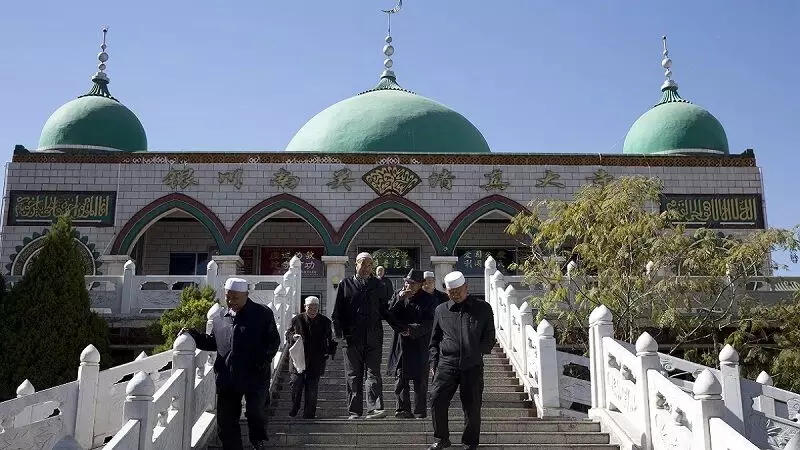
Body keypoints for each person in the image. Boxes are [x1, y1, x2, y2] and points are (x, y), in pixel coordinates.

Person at [181, 277, 280, 450]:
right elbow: (214, 342)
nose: (231, 301)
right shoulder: (220, 317)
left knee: (255, 413)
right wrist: (193, 335)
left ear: (246, 295)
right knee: (226, 422)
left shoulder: (262, 313)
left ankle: (257, 440)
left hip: (255, 376)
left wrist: (263, 360)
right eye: (228, 297)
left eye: (235, 298)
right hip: (227, 377)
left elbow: (273, 341)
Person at [332, 252, 406, 420]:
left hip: (374, 336)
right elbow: (337, 313)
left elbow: (385, 310)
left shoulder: (378, 285)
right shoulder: (345, 284)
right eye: (363, 264)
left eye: (369, 265)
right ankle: (354, 411)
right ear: (356, 265)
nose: (366, 268)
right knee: (353, 375)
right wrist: (339, 336)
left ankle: (375, 409)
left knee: (373, 373)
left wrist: (400, 327)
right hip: (351, 338)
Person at [428, 271, 496, 450]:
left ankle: (470, 442)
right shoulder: (441, 310)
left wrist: (477, 351)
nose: (456, 294)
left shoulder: (483, 308)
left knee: (472, 405)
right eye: (452, 292)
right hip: (446, 364)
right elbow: (434, 340)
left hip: (472, 364)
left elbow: (489, 336)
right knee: (436, 398)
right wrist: (433, 362)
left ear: (466, 287)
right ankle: (441, 438)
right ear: (446, 291)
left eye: (459, 290)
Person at [387, 269, 437, 419]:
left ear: (421, 284)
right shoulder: (398, 295)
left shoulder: (429, 300)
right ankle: (402, 409)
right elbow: (389, 314)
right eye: (407, 282)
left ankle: (420, 410)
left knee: (420, 379)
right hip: (400, 344)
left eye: (413, 283)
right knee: (400, 377)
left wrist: (412, 330)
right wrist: (400, 299)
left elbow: (430, 323)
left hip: (419, 343)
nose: (408, 285)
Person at [286, 296, 336, 419]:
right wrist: (293, 337)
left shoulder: (325, 321)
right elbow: (288, 335)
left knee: (312, 389)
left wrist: (329, 351)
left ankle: (309, 414)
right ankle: (295, 407)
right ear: (305, 307)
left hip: (316, 360)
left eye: (315, 307)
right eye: (310, 307)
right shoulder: (296, 320)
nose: (313, 310)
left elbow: (330, 339)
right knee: (296, 384)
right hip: (298, 359)